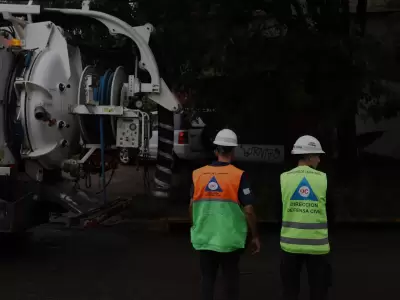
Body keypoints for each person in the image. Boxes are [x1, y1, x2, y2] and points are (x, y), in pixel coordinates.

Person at [189, 129, 260, 300]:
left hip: (205, 237)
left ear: (216, 151)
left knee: (207, 279)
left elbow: (191, 205)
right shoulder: (238, 175)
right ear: (233, 151)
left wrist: (194, 225)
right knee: (230, 280)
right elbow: (249, 210)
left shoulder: (198, 174)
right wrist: (255, 235)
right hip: (230, 239)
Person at [280, 135, 332, 300]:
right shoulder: (323, 179)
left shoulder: (284, 178)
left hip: (290, 245)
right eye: (317, 155)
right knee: (318, 292)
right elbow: (331, 211)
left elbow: (278, 210)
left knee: (290, 292)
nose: (319, 160)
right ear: (309, 157)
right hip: (317, 246)